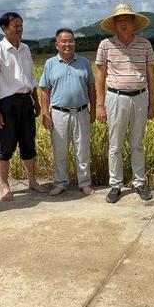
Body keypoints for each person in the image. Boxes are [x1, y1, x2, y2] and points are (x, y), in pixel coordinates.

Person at [95, 3, 154, 204]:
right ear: (114, 24)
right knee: (115, 144)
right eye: (119, 20)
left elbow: (151, 75)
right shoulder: (106, 45)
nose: (123, 23)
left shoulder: (145, 44)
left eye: (126, 20)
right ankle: (115, 184)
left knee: (137, 143)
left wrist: (152, 104)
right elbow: (100, 76)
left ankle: (139, 182)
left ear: (133, 23)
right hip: (116, 97)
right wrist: (100, 105)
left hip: (140, 96)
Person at [0, 12, 47, 201]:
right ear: (4, 29)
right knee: (5, 145)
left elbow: (30, 78)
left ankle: (32, 180)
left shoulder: (25, 49)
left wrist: (35, 102)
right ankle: (4, 185)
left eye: (21, 25)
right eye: (15, 26)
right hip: (7, 104)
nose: (19, 29)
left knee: (29, 142)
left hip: (25, 101)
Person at [39, 28, 96, 196]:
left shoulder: (84, 62)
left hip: (81, 112)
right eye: (63, 41)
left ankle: (84, 183)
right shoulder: (50, 64)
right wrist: (45, 114)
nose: (67, 44)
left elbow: (91, 88)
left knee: (83, 150)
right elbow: (44, 91)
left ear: (74, 43)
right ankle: (60, 183)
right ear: (57, 45)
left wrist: (93, 110)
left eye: (70, 41)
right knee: (60, 150)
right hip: (59, 113)